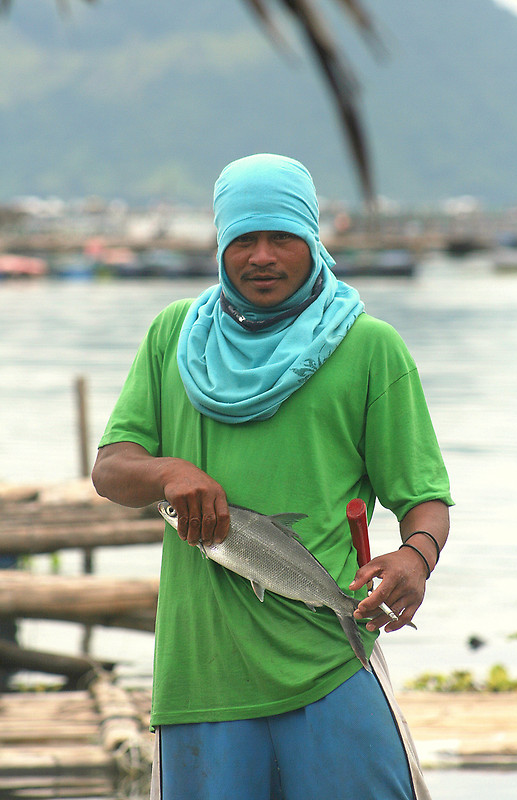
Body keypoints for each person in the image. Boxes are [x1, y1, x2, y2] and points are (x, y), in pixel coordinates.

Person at [92, 153, 452, 800]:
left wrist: (415, 557)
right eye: (243, 239)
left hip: (331, 665)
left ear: (312, 239)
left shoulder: (369, 347)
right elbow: (112, 469)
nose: (262, 257)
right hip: (200, 679)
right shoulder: (173, 337)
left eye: (281, 237)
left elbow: (425, 499)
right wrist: (168, 470)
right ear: (220, 246)